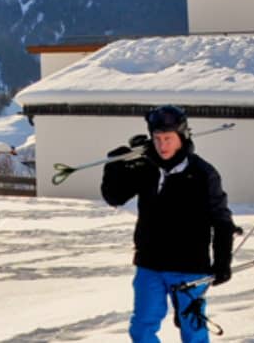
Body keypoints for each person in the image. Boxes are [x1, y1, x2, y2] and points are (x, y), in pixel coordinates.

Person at [101, 105, 236, 343]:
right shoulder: (146, 168)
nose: (162, 146)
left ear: (182, 137)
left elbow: (222, 220)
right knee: (143, 328)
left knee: (192, 330)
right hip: (150, 264)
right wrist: (115, 167)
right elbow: (115, 196)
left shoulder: (203, 174)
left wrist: (222, 261)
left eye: (168, 139)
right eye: (157, 139)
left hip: (190, 266)